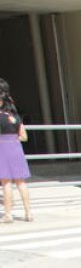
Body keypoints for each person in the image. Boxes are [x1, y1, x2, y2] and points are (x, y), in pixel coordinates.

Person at [0, 78, 32, 223]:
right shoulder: (16, 117)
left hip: (3, 148)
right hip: (16, 148)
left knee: (6, 183)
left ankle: (8, 215)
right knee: (21, 182)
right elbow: (24, 136)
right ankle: (28, 212)